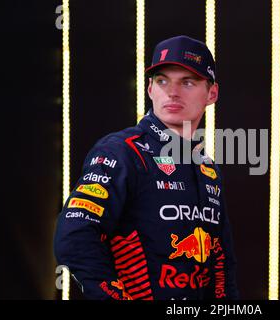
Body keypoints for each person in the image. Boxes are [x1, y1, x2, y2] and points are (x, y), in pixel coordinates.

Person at [54, 35, 239, 300]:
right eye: (162, 81)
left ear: (212, 93)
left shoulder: (206, 167)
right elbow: (74, 236)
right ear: (150, 89)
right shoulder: (121, 151)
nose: (172, 92)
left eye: (187, 82)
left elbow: (221, 260)